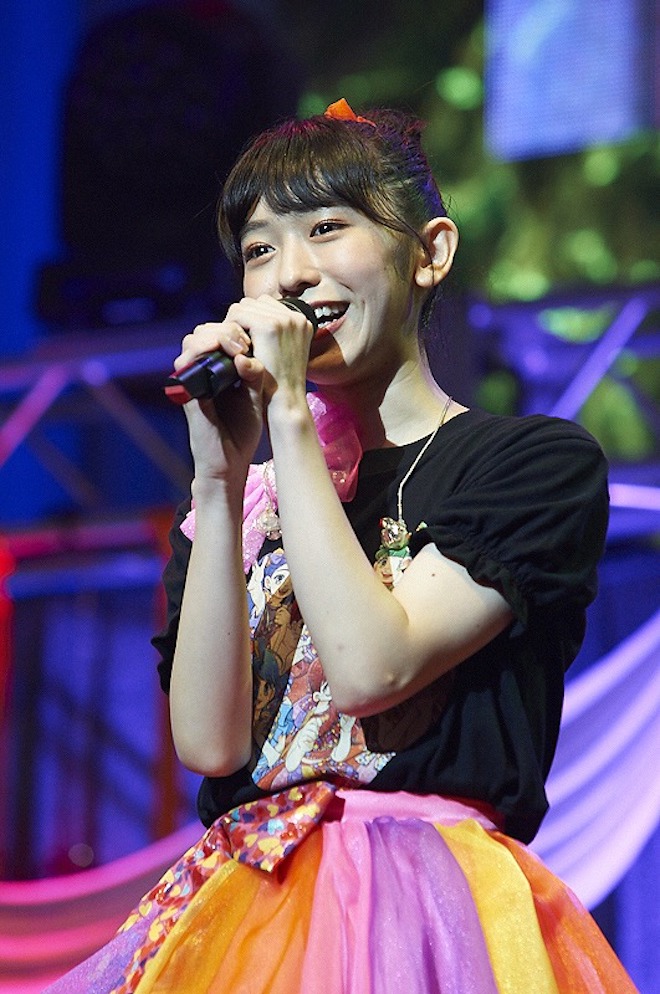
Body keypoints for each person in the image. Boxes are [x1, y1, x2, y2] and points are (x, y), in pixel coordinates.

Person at [46, 99, 638, 993]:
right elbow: (208, 744)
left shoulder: (529, 466)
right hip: (246, 905)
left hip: (426, 905)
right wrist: (217, 482)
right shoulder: (245, 500)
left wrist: (287, 411)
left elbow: (373, 669)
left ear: (429, 252)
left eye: (327, 228)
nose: (290, 273)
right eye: (259, 250)